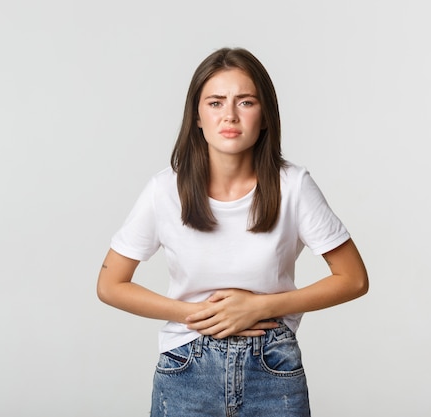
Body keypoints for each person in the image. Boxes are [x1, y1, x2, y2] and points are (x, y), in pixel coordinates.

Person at [97, 46, 368, 417]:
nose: (229, 115)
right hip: (186, 370)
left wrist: (261, 306)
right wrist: (193, 314)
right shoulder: (165, 190)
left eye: (245, 102)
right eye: (215, 102)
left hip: (272, 369)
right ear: (197, 116)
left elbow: (353, 279)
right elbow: (111, 285)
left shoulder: (293, 186)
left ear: (265, 115)